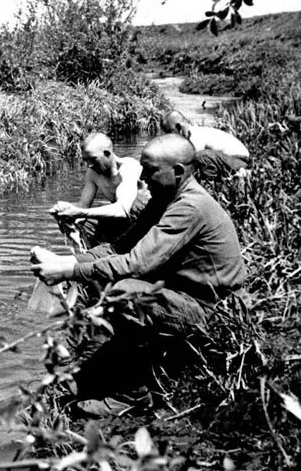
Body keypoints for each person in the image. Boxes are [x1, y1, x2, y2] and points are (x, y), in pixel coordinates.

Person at [30, 134, 246, 416]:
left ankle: (134, 396)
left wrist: (69, 270)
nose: (142, 177)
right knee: (105, 288)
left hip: (214, 311)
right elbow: (119, 246)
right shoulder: (164, 199)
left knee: (125, 290)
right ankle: (114, 361)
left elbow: (135, 265)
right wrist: (67, 261)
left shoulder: (189, 207)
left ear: (178, 172)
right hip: (184, 296)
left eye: (151, 170)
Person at [49, 132, 148, 248]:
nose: (89, 165)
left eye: (92, 159)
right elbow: (83, 205)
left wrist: (80, 212)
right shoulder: (92, 173)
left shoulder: (128, 167)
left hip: (145, 220)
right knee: (82, 225)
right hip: (123, 220)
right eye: (86, 160)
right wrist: (66, 209)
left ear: (107, 154)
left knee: (132, 207)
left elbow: (123, 209)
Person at [160, 110, 250, 180]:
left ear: (179, 128)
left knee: (200, 156)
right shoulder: (193, 133)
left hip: (238, 161)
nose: (170, 137)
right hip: (229, 160)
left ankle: (210, 186)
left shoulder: (195, 136)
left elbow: (191, 162)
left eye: (170, 132)